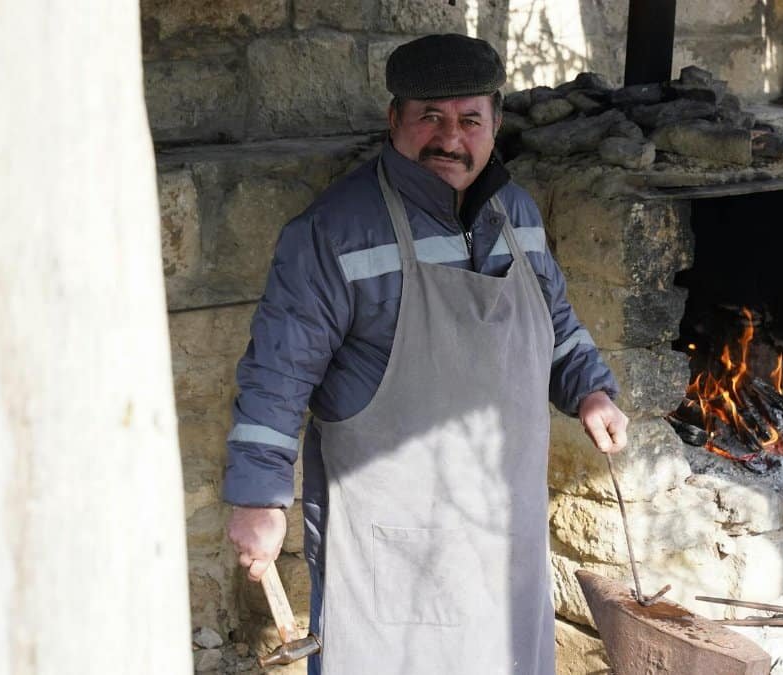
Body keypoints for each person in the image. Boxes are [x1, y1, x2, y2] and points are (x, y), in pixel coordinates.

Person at [223, 33, 629, 675]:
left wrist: (590, 388)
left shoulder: (516, 212)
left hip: (504, 527)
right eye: (429, 118)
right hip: (395, 535)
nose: (450, 138)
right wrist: (259, 498)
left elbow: (553, 319)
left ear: (495, 122)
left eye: (470, 119)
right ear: (395, 121)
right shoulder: (333, 231)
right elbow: (278, 371)